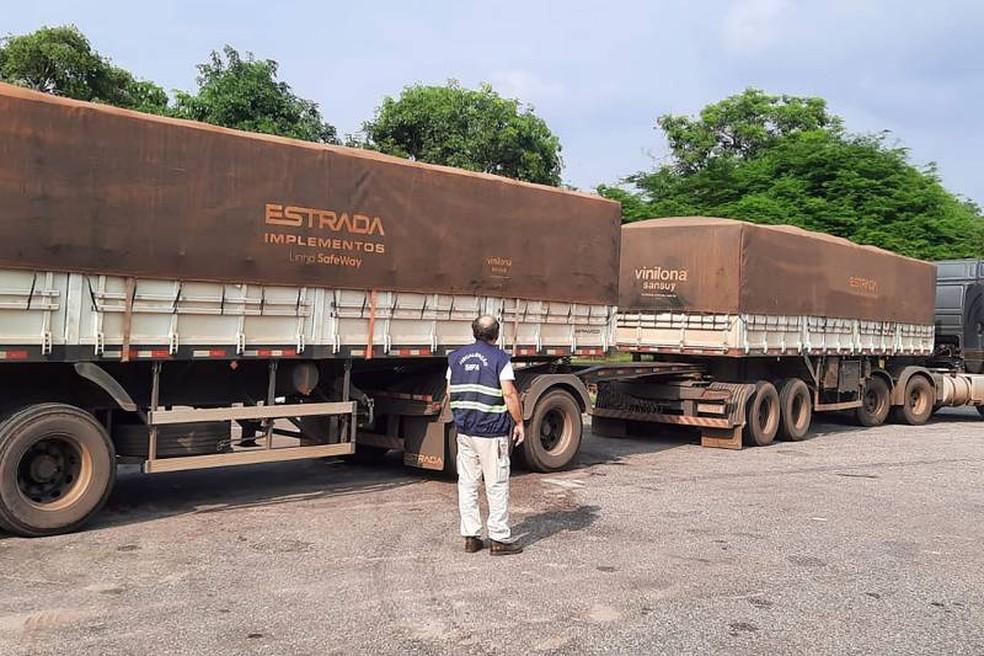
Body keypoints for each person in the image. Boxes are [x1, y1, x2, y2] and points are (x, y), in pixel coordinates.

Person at [446, 315, 525, 555]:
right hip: (491, 432)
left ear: (473, 332)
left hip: (465, 431)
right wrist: (519, 422)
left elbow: (450, 392)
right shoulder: (500, 358)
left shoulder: (455, 358)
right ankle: (499, 539)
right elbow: (509, 394)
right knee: (496, 483)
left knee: (468, 484)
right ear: (496, 335)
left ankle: (471, 537)